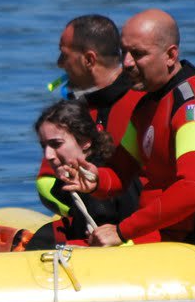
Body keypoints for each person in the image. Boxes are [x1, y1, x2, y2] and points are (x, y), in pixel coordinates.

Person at [62, 9, 195, 251]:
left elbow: (192, 190)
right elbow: (118, 173)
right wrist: (95, 179)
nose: (126, 63)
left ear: (170, 55)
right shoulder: (147, 105)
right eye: (123, 52)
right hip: (158, 236)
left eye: (138, 54)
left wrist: (121, 231)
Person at [36, 15, 138, 213]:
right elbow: (46, 182)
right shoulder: (73, 111)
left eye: (64, 55)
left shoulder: (143, 103)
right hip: (92, 221)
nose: (59, 64)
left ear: (89, 59)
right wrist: (84, 212)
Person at [26, 100, 139, 251]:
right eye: (44, 146)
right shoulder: (70, 183)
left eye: (56, 144)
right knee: (43, 238)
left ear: (85, 142)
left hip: (135, 254)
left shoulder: (111, 182)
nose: (48, 155)